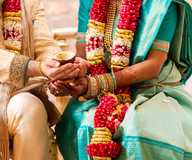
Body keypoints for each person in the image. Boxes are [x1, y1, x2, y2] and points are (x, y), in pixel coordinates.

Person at [49, 0, 192, 159]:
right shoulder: (88, 3)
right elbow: (84, 57)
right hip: (102, 93)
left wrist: (95, 83)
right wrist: (72, 74)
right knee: (80, 123)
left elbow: (153, 66)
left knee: (138, 130)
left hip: (152, 91)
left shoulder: (161, 5)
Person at [0, 0, 87, 160]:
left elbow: (43, 45)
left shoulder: (28, 2)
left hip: (16, 89)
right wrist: (37, 67)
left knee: (30, 109)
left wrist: (60, 68)